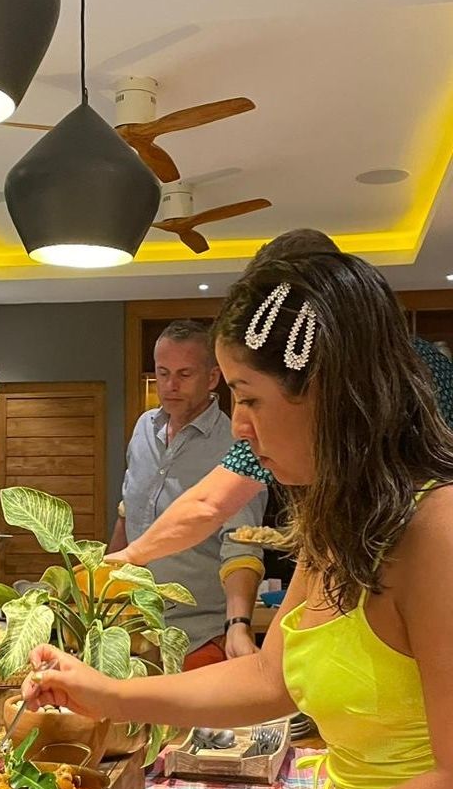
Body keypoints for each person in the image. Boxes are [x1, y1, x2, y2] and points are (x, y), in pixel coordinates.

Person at [23, 247, 453, 789]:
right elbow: (270, 680)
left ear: (330, 392)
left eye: (250, 398)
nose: (243, 431)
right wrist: (107, 692)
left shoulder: (438, 533)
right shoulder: (337, 521)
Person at [112, 230, 453, 570]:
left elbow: (211, 503)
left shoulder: (434, 522)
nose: (240, 427)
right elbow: (208, 502)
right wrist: (126, 558)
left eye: (249, 399)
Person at [107, 320, 265, 665]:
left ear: (212, 378)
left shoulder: (240, 444)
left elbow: (241, 543)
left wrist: (238, 623)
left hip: (199, 636)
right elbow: (128, 511)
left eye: (184, 374)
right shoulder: (143, 428)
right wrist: (103, 587)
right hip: (134, 627)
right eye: (162, 373)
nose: (170, 385)